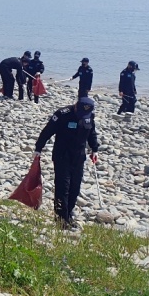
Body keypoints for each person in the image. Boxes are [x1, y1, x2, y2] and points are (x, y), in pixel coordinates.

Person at [34, 96, 100, 229]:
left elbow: (91, 133)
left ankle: (69, 215)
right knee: (63, 188)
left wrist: (95, 149)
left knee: (75, 189)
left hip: (79, 157)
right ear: (75, 106)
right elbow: (47, 132)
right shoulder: (62, 114)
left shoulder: (89, 116)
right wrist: (38, 149)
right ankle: (61, 220)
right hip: (62, 156)